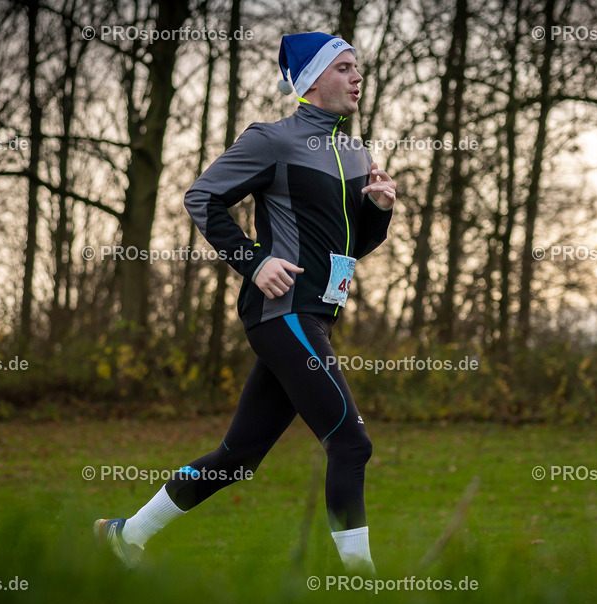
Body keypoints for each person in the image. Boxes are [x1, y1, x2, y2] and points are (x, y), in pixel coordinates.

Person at [95, 31, 396, 575]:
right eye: (345, 68)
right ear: (310, 81)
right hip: (282, 313)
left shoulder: (356, 153)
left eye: (359, 68)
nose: (358, 78)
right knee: (351, 444)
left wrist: (378, 209)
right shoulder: (271, 140)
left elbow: (355, 247)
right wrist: (254, 261)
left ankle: (125, 534)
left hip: (317, 317)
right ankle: (362, 586)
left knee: (238, 459)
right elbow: (201, 197)